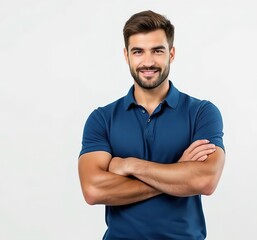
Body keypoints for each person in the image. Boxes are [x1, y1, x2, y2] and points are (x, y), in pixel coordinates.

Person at [78, 10, 225, 240]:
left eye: (157, 51)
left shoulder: (202, 113)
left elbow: (204, 181)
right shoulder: (102, 118)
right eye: (138, 52)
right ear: (126, 56)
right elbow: (93, 190)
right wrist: (178, 171)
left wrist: (130, 165)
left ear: (172, 54)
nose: (148, 62)